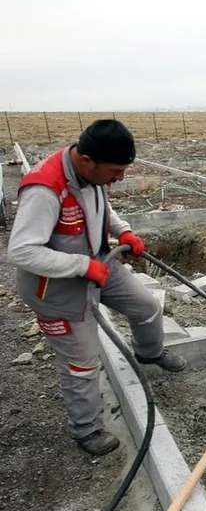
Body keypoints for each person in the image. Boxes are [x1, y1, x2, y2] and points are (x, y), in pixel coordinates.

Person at [6, 120, 187, 456]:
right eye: (116, 171)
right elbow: (21, 251)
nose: (121, 178)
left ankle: (148, 353)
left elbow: (103, 208)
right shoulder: (45, 190)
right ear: (87, 160)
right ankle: (86, 429)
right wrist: (82, 266)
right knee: (82, 363)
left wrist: (123, 230)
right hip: (56, 289)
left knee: (146, 306)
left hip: (98, 263)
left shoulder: (92, 175)